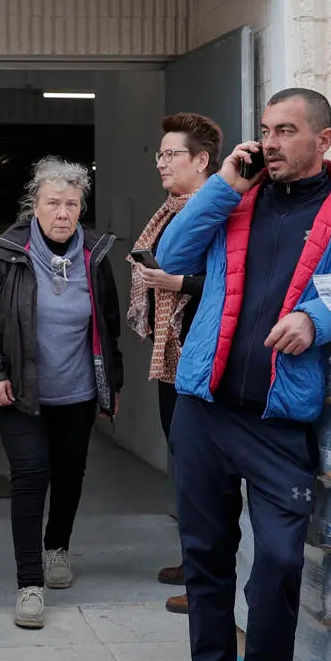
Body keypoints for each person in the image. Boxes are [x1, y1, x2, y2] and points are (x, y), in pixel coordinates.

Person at [156, 87, 331, 661]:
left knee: (281, 561)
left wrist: (317, 321)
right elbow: (173, 255)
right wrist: (224, 183)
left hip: (279, 417)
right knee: (205, 553)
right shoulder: (238, 193)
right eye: (265, 129)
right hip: (204, 406)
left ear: (323, 140)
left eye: (286, 131)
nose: (271, 143)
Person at [0, 157, 123, 629]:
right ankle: (28, 582)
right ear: (34, 205)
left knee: (70, 474)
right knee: (31, 475)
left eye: (72, 204)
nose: (62, 213)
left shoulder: (95, 255)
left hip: (76, 393)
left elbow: (108, 328)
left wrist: (111, 387)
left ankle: (57, 548)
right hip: (18, 390)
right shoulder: (6, 252)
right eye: (53, 202)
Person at [129, 113, 219, 614]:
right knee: (183, 462)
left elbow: (234, 286)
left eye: (171, 154)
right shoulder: (170, 210)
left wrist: (177, 284)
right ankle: (193, 560)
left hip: (201, 355)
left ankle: (206, 579)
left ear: (201, 160)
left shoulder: (218, 211)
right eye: (159, 154)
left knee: (201, 468)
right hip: (173, 356)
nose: (161, 162)